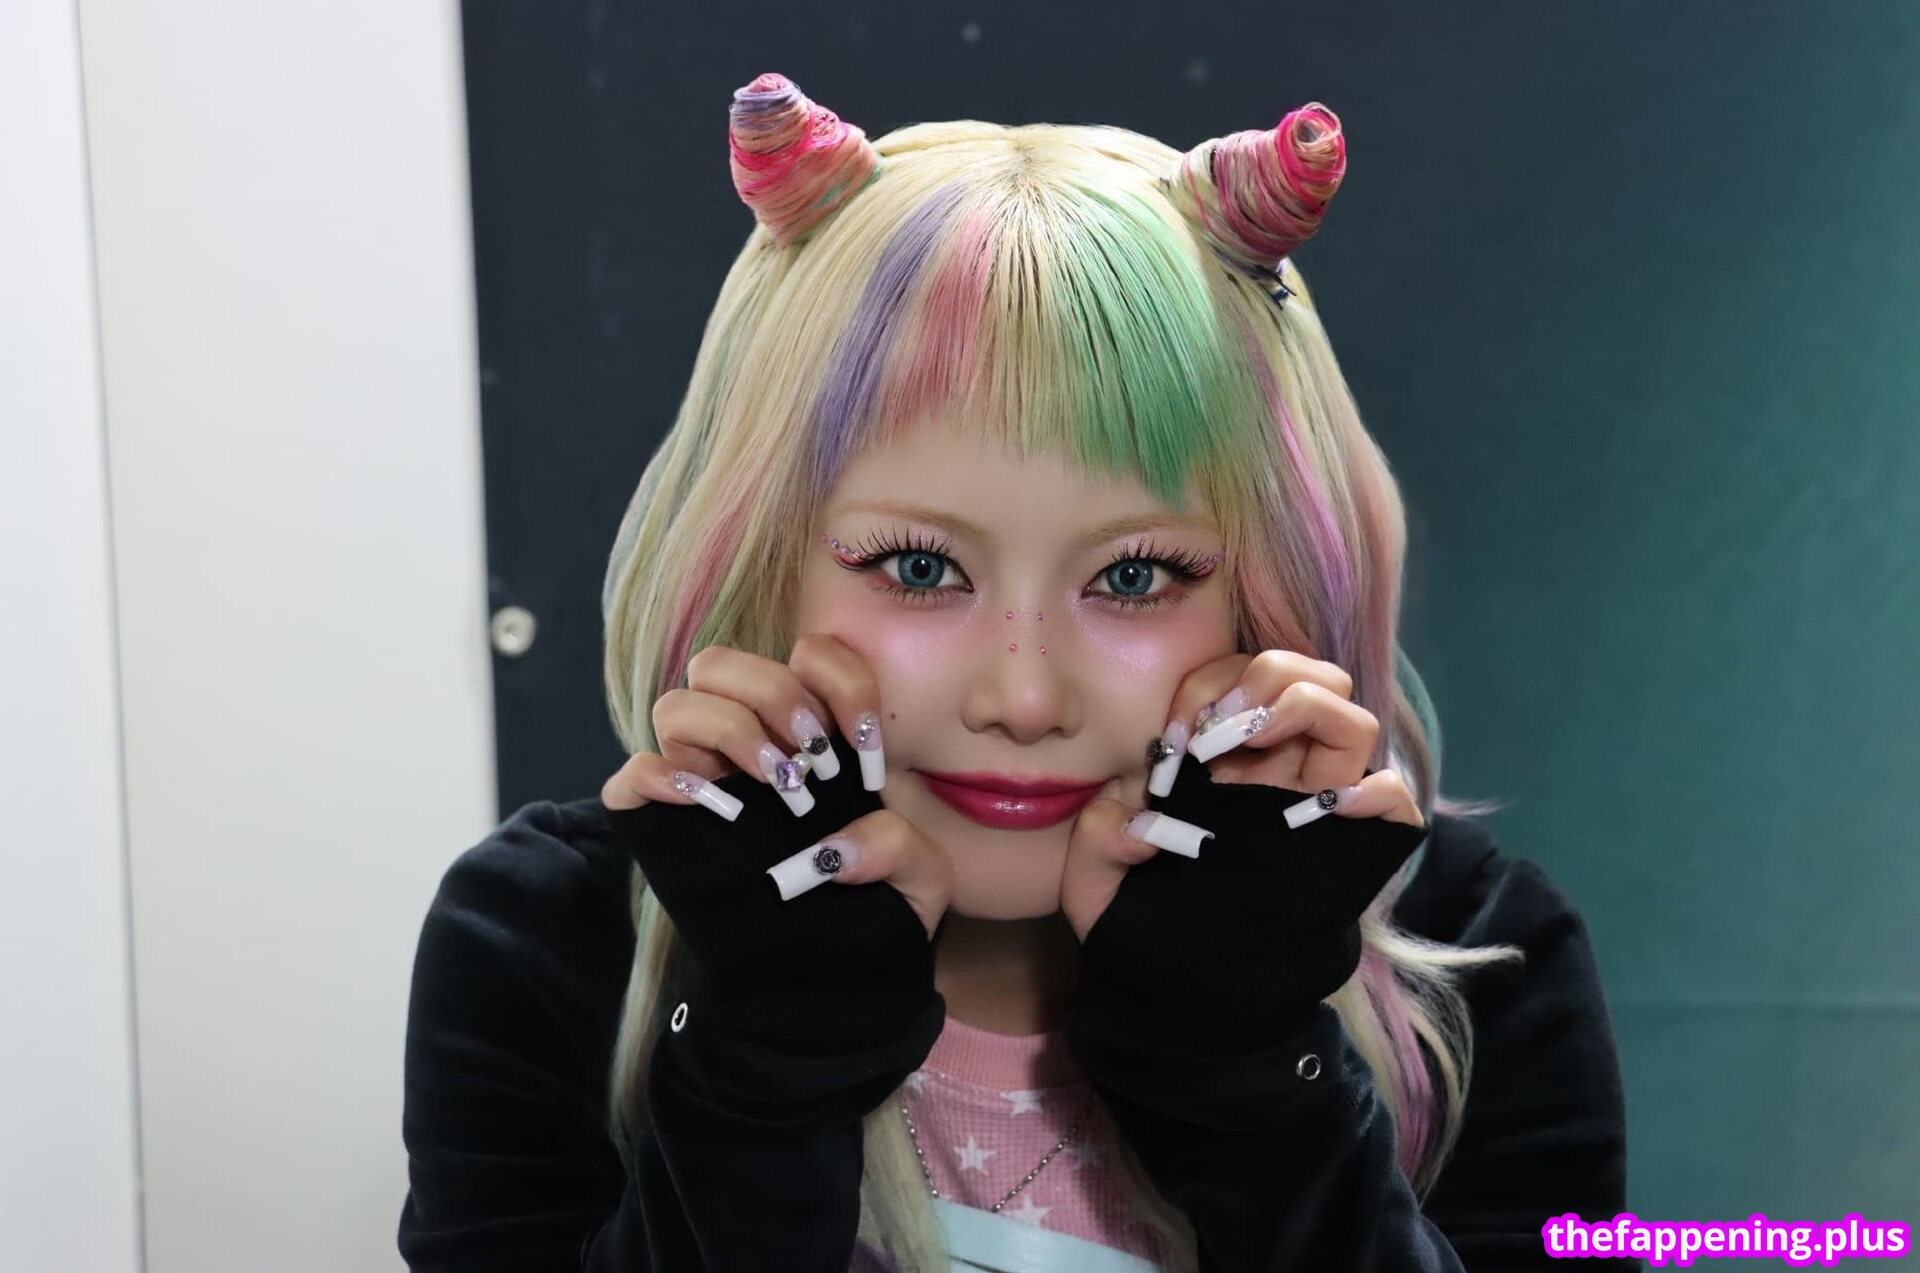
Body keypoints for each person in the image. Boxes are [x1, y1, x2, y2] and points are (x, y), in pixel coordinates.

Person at [396, 72, 1640, 1272]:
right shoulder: (550, 943)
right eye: (919, 567)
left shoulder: (1479, 954)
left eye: (1137, 576)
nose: (1024, 698)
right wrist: (763, 1062)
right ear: (759, 557)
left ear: (1272, 588)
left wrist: (1253, 1066)